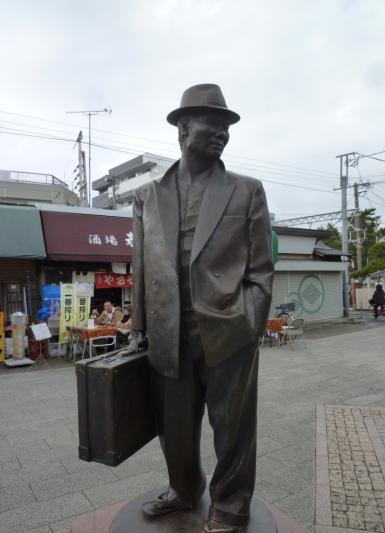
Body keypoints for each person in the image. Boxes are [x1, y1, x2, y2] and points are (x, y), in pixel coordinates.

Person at [123, 84, 273, 533]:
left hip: (230, 329)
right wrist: (140, 326)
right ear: (184, 129)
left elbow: (262, 267)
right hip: (169, 333)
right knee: (175, 425)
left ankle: (230, 506)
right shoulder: (147, 196)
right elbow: (140, 268)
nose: (223, 134)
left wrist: (250, 321)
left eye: (227, 127)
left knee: (233, 429)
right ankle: (184, 489)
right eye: (214, 125)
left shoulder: (247, 191)